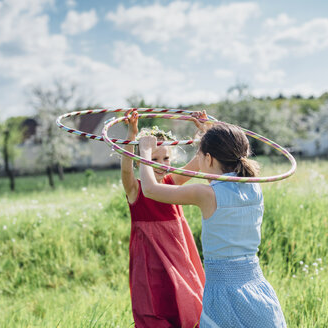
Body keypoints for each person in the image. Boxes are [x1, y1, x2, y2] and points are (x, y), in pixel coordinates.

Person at [138, 122, 287, 328]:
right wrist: (210, 135)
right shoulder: (254, 186)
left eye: (200, 154)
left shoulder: (206, 194)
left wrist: (145, 151)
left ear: (208, 158)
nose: (198, 159)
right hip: (256, 286)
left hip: (223, 293)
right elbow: (221, 169)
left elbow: (150, 190)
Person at [121, 109, 206, 328]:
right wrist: (132, 136)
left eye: (166, 158)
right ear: (141, 161)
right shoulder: (135, 190)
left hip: (178, 251)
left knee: (188, 296)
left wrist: (204, 130)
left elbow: (198, 163)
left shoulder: (171, 182)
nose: (161, 164)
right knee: (155, 301)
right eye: (153, 158)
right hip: (151, 257)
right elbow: (126, 171)